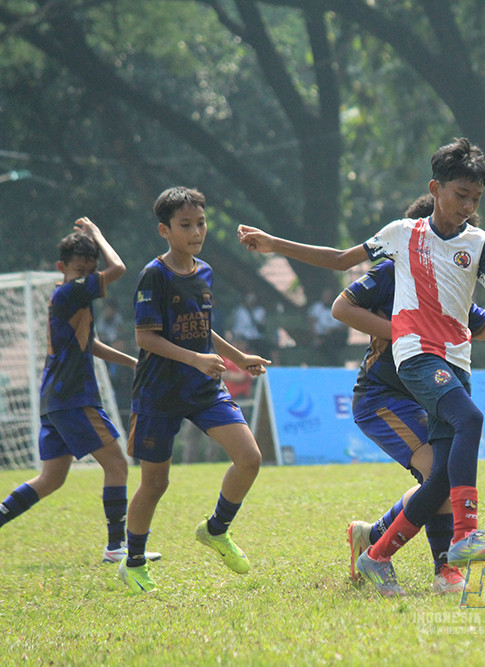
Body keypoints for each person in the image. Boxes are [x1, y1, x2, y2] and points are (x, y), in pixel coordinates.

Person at [238, 137, 485, 596]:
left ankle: (378, 553)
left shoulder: (480, 244)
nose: (468, 206)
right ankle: (464, 540)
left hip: (456, 364)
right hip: (413, 362)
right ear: (435, 189)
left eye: (476, 198)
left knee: (443, 476)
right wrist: (274, 244)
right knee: (470, 419)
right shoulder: (403, 236)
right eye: (459, 195)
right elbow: (337, 262)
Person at [337, 195, 485, 594]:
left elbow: (483, 327)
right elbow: (341, 307)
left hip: (421, 393)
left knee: (440, 475)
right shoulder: (392, 269)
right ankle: (433, 564)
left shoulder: (448, 287)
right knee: (439, 470)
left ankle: (383, 543)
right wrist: (405, 333)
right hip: (381, 397)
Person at [117, 187, 271, 594]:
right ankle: (132, 563)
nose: (196, 231)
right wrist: (195, 359)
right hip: (159, 392)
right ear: (164, 230)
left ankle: (216, 530)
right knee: (155, 484)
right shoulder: (154, 274)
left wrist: (237, 356)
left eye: (200, 223)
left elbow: (202, 327)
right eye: (186, 225)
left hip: (202, 386)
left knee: (250, 458)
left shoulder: (204, 271)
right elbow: (145, 338)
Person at [0, 218, 160, 564]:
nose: (87, 275)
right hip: (74, 399)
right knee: (117, 465)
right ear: (62, 268)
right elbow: (118, 267)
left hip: (55, 401)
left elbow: (94, 345)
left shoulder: (77, 297)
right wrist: (98, 235)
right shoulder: (70, 292)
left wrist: (134, 363)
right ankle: (116, 546)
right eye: (79, 269)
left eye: (90, 270)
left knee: (51, 479)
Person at [308, 287, 347, 364]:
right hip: (322, 335)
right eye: (325, 296)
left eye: (329, 296)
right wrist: (315, 337)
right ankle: (334, 363)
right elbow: (312, 323)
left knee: (331, 342)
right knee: (324, 344)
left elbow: (345, 325)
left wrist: (334, 330)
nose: (327, 298)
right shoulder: (317, 308)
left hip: (336, 335)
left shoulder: (339, 307)